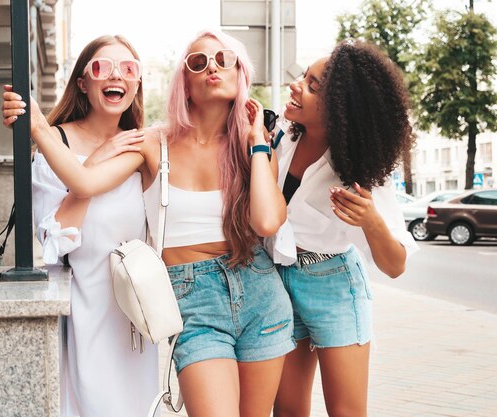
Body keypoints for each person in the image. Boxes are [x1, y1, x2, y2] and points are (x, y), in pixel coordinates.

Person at [17, 30, 297, 417]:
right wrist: (39, 130)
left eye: (223, 59)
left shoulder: (254, 148)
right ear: (184, 81)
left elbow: (266, 221)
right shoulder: (153, 142)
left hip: (260, 292)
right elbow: (84, 184)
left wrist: (257, 142)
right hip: (194, 297)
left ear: (240, 76)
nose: (211, 67)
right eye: (198, 62)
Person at [1, 35, 157, 417]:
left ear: (136, 85)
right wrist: (91, 164)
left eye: (128, 68)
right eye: (102, 67)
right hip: (79, 308)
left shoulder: (142, 145)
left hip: (133, 314)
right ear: (83, 83)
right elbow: (57, 240)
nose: (115, 76)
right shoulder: (58, 141)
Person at [268, 39, 419, 417]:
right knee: (287, 410)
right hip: (275, 282)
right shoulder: (281, 140)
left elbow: (395, 264)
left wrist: (369, 220)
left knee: (347, 412)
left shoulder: (360, 170)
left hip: (332, 285)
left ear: (340, 109)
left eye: (313, 85)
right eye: (304, 76)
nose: (296, 85)